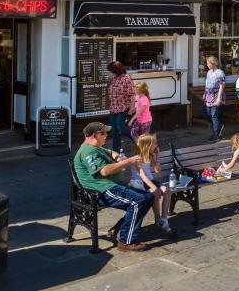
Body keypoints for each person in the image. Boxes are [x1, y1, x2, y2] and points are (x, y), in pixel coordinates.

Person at [73, 121, 153, 251]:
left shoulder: (97, 147)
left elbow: (111, 152)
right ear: (94, 135)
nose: (106, 136)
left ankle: (120, 229)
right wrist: (128, 161)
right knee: (138, 201)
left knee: (149, 196)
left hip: (113, 186)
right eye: (103, 133)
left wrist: (118, 157)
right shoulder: (88, 151)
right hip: (102, 191)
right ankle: (126, 242)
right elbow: (104, 171)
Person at [128, 133, 175, 238]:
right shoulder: (137, 158)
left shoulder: (150, 155)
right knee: (156, 194)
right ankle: (157, 218)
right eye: (155, 143)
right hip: (140, 183)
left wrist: (157, 156)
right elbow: (143, 176)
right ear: (147, 146)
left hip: (150, 181)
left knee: (167, 190)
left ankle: (163, 219)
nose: (157, 145)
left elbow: (157, 170)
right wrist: (155, 188)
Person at [107, 61, 135, 152]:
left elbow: (132, 94)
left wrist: (132, 107)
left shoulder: (126, 78)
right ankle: (116, 151)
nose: (109, 72)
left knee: (120, 127)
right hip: (113, 108)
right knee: (114, 131)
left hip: (123, 107)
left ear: (116, 70)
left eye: (110, 71)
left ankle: (138, 139)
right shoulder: (113, 78)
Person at [203, 56, 225, 142]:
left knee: (214, 115)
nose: (207, 65)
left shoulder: (220, 73)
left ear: (214, 63)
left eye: (208, 63)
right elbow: (207, 83)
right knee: (207, 114)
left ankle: (216, 135)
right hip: (208, 96)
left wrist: (219, 98)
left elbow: (222, 85)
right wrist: (204, 93)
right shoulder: (208, 72)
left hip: (216, 95)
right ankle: (219, 126)